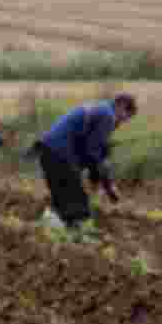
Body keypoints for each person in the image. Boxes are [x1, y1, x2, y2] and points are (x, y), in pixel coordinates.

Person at [36, 93, 138, 227]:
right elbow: (93, 153)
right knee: (79, 208)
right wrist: (105, 184)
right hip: (58, 154)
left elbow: (94, 151)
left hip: (50, 152)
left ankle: (50, 230)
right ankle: (69, 236)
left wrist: (103, 181)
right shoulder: (108, 116)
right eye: (126, 116)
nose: (123, 122)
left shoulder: (101, 109)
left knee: (66, 199)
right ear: (121, 106)